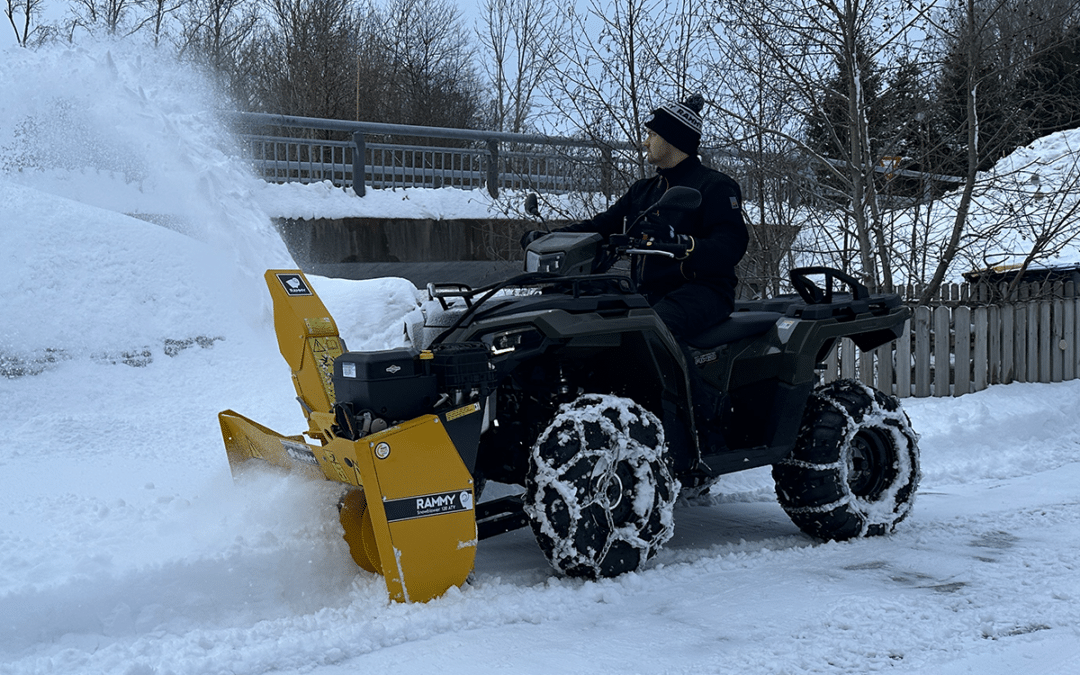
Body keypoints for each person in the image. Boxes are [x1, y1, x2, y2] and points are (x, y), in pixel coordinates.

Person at [524, 93, 749, 343]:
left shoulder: (715, 186)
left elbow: (731, 245)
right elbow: (601, 226)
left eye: (652, 134)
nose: (645, 142)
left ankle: (685, 383)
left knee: (651, 336)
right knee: (586, 324)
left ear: (674, 138)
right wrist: (551, 238)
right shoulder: (644, 190)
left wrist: (683, 243)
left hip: (703, 292)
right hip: (647, 292)